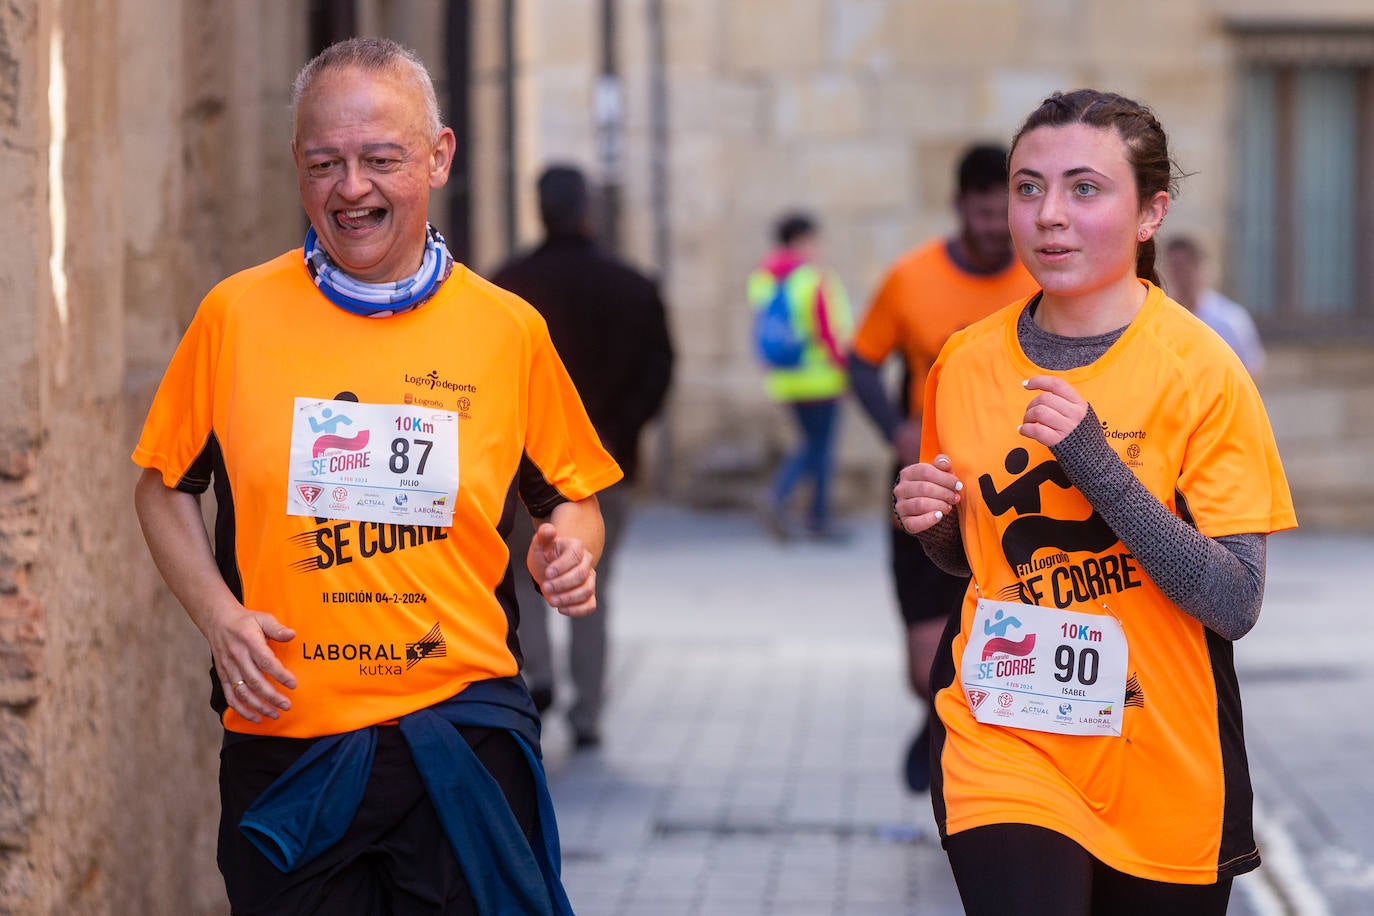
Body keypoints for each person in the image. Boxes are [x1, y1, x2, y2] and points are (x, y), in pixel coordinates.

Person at [131, 37, 621, 915]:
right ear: (296, 166)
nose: (350, 188)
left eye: (380, 159)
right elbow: (165, 485)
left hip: (462, 732)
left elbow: (574, 493)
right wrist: (220, 617)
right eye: (325, 163)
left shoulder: (507, 331)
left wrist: (571, 552)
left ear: (438, 157)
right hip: (290, 747)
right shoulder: (235, 317)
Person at [893, 89, 1296, 915]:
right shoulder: (964, 364)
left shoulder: (1203, 370)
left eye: (1085, 188)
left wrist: (1097, 464)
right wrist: (936, 523)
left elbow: (1234, 601)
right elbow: (984, 558)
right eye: (1028, 187)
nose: (1048, 215)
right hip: (1002, 734)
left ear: (1151, 213)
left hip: (1160, 756)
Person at [848, 144, 1037, 794]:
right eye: (982, 212)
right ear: (959, 207)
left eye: (1002, 211)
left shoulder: (1044, 281)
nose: (993, 226)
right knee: (923, 664)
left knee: (1008, 641)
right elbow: (861, 360)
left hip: (1019, 494)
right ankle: (937, 714)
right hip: (927, 490)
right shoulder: (910, 279)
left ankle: (977, 766)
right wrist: (895, 429)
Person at [491, 164, 674, 749]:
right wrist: (620, 430)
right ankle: (588, 710)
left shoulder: (507, 286)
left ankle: (539, 674)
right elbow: (659, 371)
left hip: (522, 467)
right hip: (605, 463)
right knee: (587, 577)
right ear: (588, 210)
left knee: (526, 574)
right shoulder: (632, 286)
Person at [748, 212, 854, 540]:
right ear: (802, 240)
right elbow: (827, 330)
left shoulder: (764, 278)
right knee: (818, 448)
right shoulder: (813, 278)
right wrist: (846, 370)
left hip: (786, 377)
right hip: (820, 377)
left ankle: (792, 504)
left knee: (810, 443)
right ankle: (806, 512)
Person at [1163, 235, 1267, 375]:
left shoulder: (1229, 320)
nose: (1180, 275)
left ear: (1201, 268)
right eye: (1175, 267)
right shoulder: (1159, 317)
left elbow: (1251, 369)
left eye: (1186, 267)